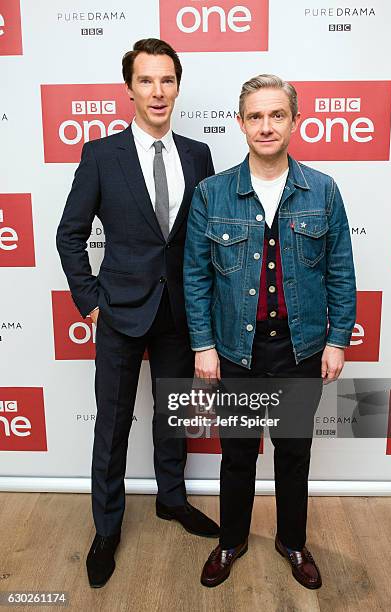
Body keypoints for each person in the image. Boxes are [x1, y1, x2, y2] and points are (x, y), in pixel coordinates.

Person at [56, 38, 219, 589]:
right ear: (129, 88)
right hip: (119, 314)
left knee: (173, 416)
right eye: (146, 80)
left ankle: (171, 500)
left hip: (180, 312)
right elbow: (69, 235)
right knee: (112, 424)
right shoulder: (101, 155)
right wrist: (91, 303)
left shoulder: (198, 155)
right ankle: (106, 527)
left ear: (178, 86)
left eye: (167, 80)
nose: (157, 91)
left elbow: (202, 240)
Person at [183, 74, 356, 589]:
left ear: (295, 121)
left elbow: (341, 270)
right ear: (240, 123)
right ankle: (231, 539)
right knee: (236, 453)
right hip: (237, 350)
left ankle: (292, 541)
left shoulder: (323, 189)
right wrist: (204, 345)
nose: (266, 126)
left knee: (295, 452)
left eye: (277, 114)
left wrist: (337, 339)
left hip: (300, 349)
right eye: (255, 116)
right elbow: (195, 275)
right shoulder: (212, 193)